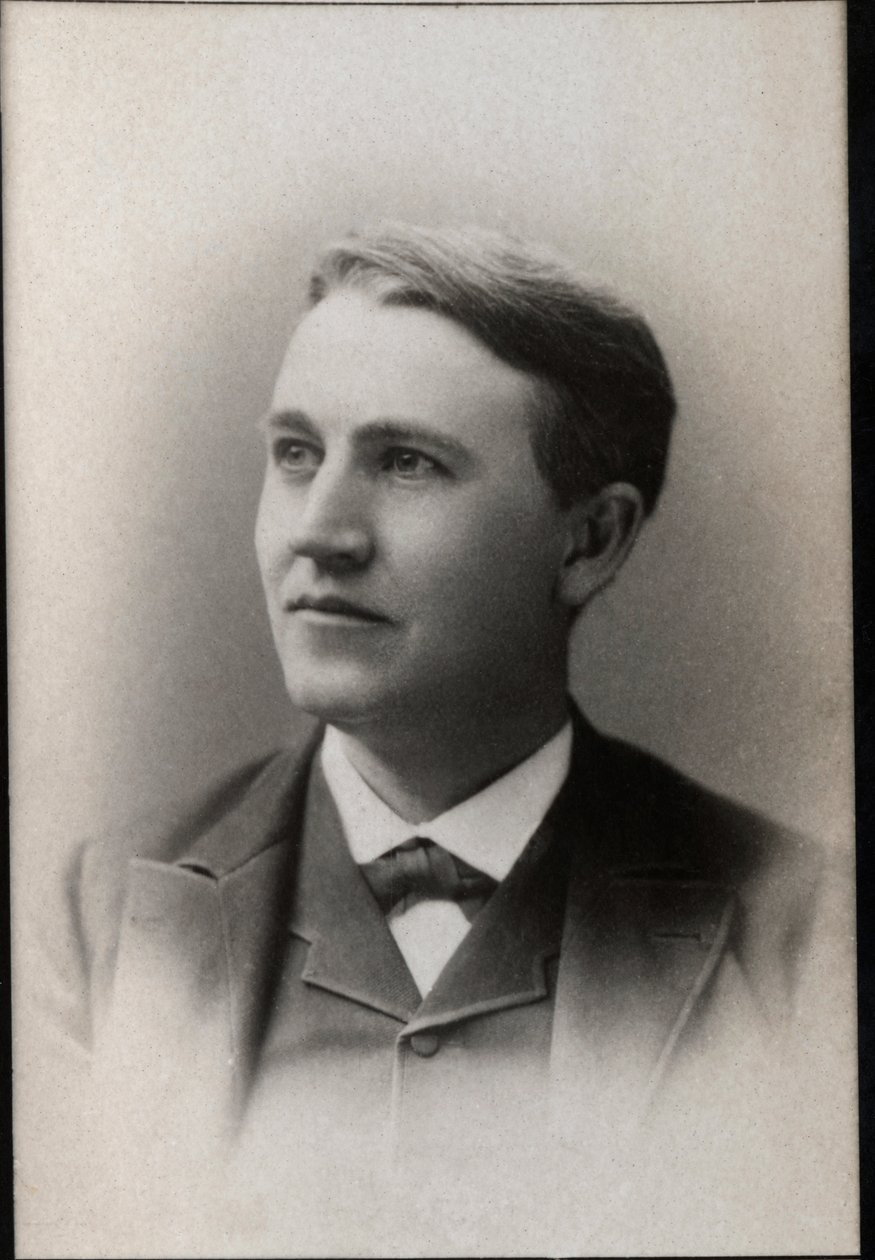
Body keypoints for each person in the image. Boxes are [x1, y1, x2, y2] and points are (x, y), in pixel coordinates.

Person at [23, 223, 856, 1257]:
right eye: (295, 454)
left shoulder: (801, 934)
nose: (319, 530)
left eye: (406, 463)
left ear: (590, 540)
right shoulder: (95, 920)